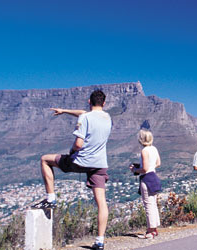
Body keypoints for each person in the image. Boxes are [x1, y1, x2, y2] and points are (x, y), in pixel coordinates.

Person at [33, 90, 112, 250]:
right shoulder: (107, 117)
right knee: (101, 203)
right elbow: (84, 114)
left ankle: (51, 198)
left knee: (45, 159)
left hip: (81, 161)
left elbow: (78, 144)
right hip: (99, 165)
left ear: (89, 101)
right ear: (103, 103)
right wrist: (64, 111)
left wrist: (71, 151)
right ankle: (100, 241)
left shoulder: (86, 117)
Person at [129, 129, 161, 239]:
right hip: (154, 177)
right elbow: (158, 163)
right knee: (153, 204)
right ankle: (154, 229)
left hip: (146, 178)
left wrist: (135, 170)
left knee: (148, 205)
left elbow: (145, 169)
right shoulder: (154, 149)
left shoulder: (144, 151)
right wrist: (148, 167)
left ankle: (150, 231)